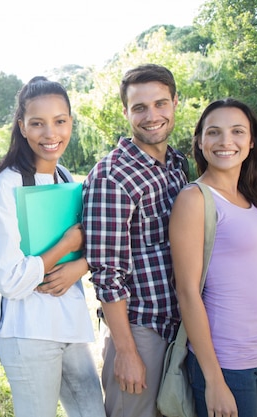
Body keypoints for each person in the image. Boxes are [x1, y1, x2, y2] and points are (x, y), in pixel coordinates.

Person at [0, 76, 105, 417]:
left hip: (71, 325)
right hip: (29, 333)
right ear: (22, 127)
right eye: (37, 124)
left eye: (60, 122)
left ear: (70, 122)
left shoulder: (66, 178)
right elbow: (9, 281)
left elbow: (90, 246)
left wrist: (80, 265)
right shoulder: (7, 185)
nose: (50, 134)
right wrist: (65, 245)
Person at [169, 98, 257, 417]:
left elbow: (250, 283)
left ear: (251, 141)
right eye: (214, 132)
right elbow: (187, 293)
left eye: (237, 131)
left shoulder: (253, 197)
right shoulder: (194, 199)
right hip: (226, 362)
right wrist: (213, 379)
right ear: (200, 142)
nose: (226, 141)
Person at [82, 64, 188, 417]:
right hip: (141, 331)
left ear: (175, 103)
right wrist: (126, 352)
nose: (152, 116)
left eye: (160, 104)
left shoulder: (177, 164)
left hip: (181, 327)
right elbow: (107, 274)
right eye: (140, 107)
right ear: (125, 111)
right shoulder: (112, 176)